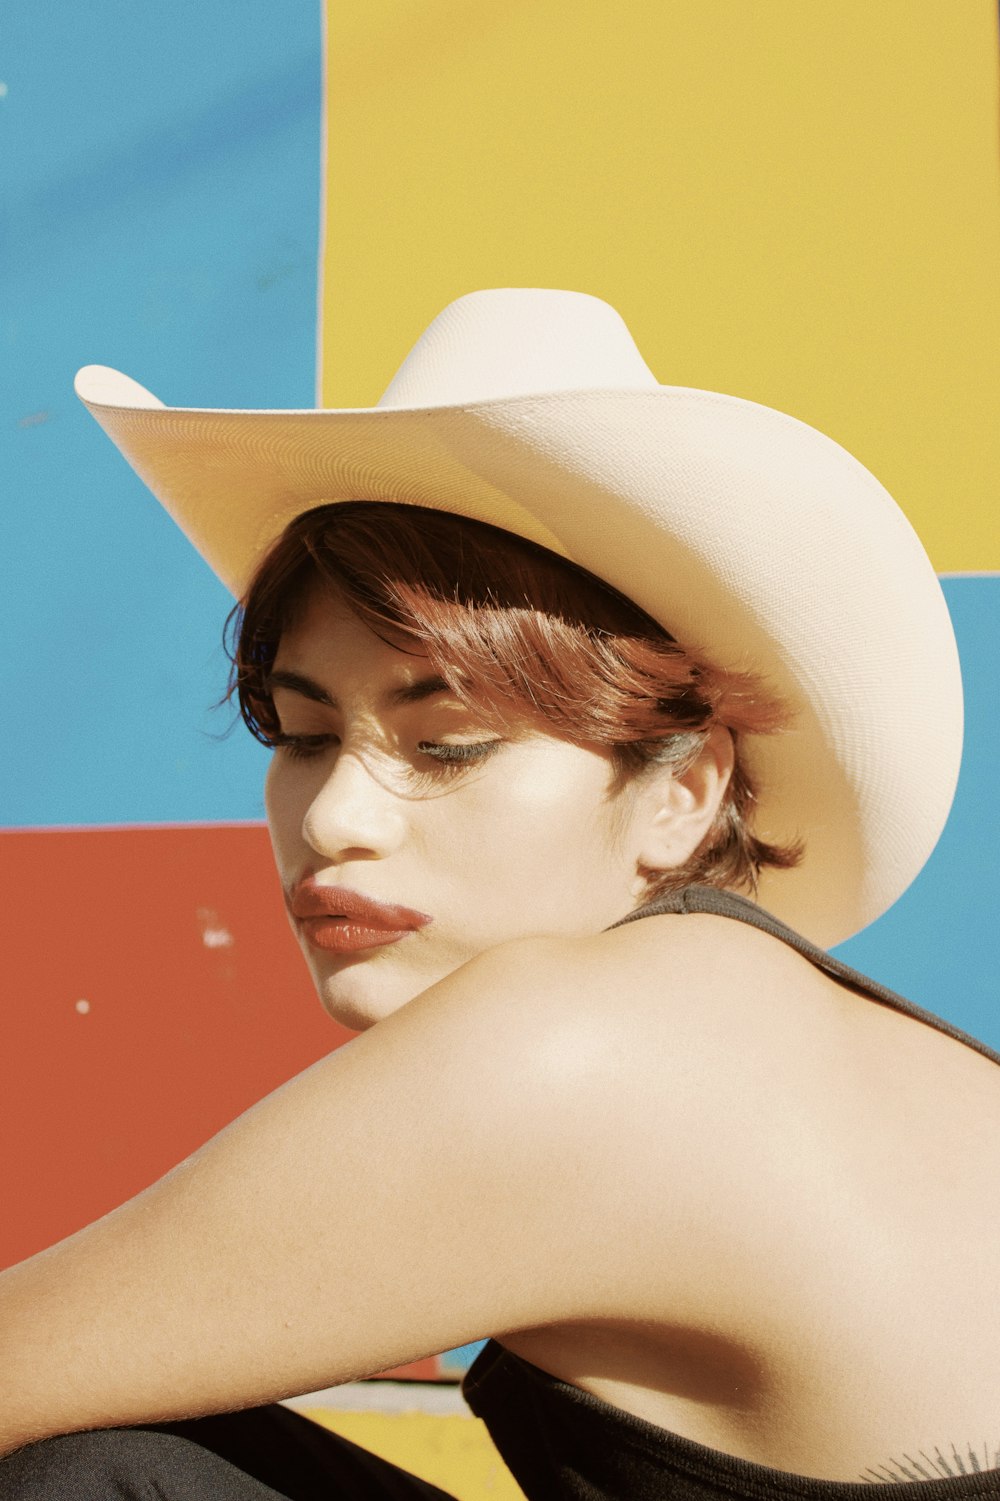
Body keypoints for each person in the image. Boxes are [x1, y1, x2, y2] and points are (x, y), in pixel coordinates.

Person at [1, 289, 995, 1500]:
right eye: (303, 733)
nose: (330, 819)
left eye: (448, 745)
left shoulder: (580, 1048)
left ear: (685, 787)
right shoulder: (792, 1031)